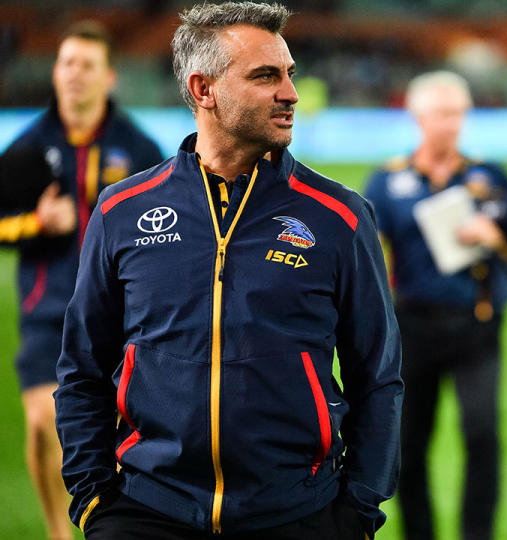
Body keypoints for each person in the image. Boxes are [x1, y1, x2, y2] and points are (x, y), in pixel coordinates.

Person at [54, 3, 402, 539]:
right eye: (265, 76)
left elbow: (377, 377)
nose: (290, 93)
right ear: (203, 89)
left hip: (297, 512)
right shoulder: (123, 211)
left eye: (289, 73)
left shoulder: (339, 216)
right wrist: (93, 497)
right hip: (145, 510)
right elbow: (82, 368)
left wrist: (358, 510)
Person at [0, 20, 163, 540]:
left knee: (118, 437)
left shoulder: (139, 150)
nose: (75, 75)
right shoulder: (25, 148)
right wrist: (34, 224)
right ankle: (58, 532)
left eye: (87, 65)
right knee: (44, 424)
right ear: (55, 71)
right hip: (49, 314)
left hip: (123, 316)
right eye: (67, 63)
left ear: (109, 77)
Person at [364, 71, 507, 540]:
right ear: (417, 117)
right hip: (412, 327)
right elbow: (370, 258)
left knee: (481, 435)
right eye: (441, 113)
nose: (451, 123)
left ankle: (475, 534)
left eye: (458, 112)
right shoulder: (386, 181)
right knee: (409, 443)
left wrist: (496, 237)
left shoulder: (488, 175)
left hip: (478, 323)